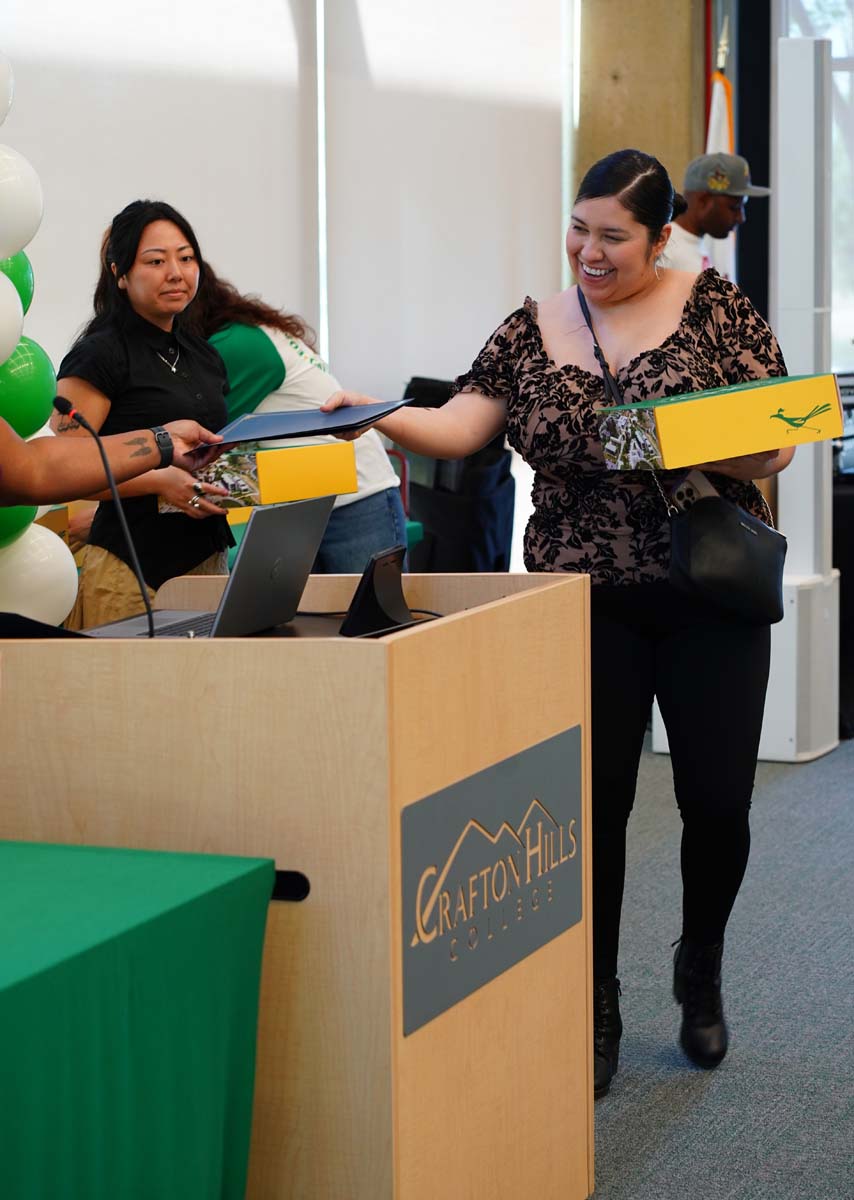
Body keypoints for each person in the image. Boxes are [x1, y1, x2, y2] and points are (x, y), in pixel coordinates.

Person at [321, 148, 794, 1098]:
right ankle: (596, 1003)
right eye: (578, 229)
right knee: (595, 810)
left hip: (707, 593)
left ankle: (699, 964)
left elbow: (773, 446)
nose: (589, 250)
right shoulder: (531, 327)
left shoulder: (717, 308)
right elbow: (462, 425)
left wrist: (694, 432)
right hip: (580, 599)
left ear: (662, 237)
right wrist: (365, 413)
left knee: (717, 807)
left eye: (613, 236)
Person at [51, 200, 234, 630]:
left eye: (186, 258)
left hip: (206, 561)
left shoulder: (203, 353)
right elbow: (68, 466)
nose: (176, 272)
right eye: (156, 261)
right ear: (120, 274)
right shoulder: (99, 354)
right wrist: (159, 481)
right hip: (129, 570)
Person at [187, 265, 406, 572]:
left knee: (372, 616)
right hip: (310, 494)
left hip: (353, 497)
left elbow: (200, 433)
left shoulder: (238, 345)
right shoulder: (248, 331)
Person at [0, 415, 222, 506]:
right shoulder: (99, 354)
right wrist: (163, 446)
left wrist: (164, 441)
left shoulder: (200, 352)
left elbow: (35, 468)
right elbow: (36, 471)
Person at [660, 151, 770, 273]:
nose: (741, 218)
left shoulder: (693, 245)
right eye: (734, 207)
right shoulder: (665, 251)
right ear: (703, 201)